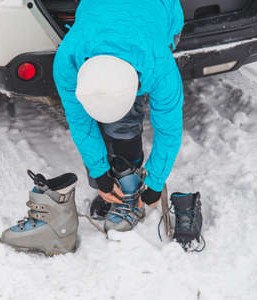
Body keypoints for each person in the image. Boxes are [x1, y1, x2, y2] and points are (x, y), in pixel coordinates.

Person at [53, 0, 187, 232]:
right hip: (100, 19)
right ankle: (116, 184)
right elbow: (80, 123)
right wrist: (100, 174)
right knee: (103, 124)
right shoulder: (68, 60)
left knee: (123, 124)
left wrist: (154, 182)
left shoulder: (160, 67)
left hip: (161, 12)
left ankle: (130, 189)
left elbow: (169, 129)